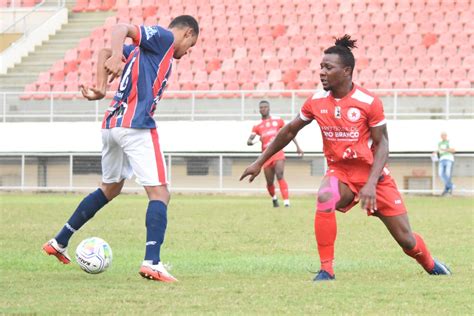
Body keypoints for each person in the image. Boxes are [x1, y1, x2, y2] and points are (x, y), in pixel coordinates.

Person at [240, 35, 451, 281]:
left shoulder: (368, 102)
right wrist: (259, 161)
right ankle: (326, 270)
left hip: (375, 177)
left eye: (328, 67)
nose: (321, 72)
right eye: (321, 67)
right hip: (341, 173)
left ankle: (430, 263)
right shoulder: (316, 101)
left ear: (347, 71)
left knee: (407, 240)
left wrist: (371, 183)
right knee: (325, 197)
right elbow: (289, 131)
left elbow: (383, 144)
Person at [42, 15, 199, 283]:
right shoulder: (164, 39)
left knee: (111, 188)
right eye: (191, 44)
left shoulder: (144, 50)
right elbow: (120, 29)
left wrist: (102, 87)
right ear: (186, 34)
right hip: (135, 125)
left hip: (112, 124)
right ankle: (152, 262)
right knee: (160, 192)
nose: (188, 51)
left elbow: (104, 51)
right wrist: (116, 55)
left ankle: (59, 241)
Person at [247, 100, 304, 207]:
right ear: (259, 110)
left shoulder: (278, 120)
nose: (263, 109)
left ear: (269, 108)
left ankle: (287, 202)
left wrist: (298, 147)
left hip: (278, 153)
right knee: (269, 182)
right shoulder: (257, 125)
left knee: (280, 174)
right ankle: (274, 198)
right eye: (261, 107)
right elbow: (248, 142)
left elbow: (289, 133)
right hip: (266, 156)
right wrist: (256, 140)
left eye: (265, 107)